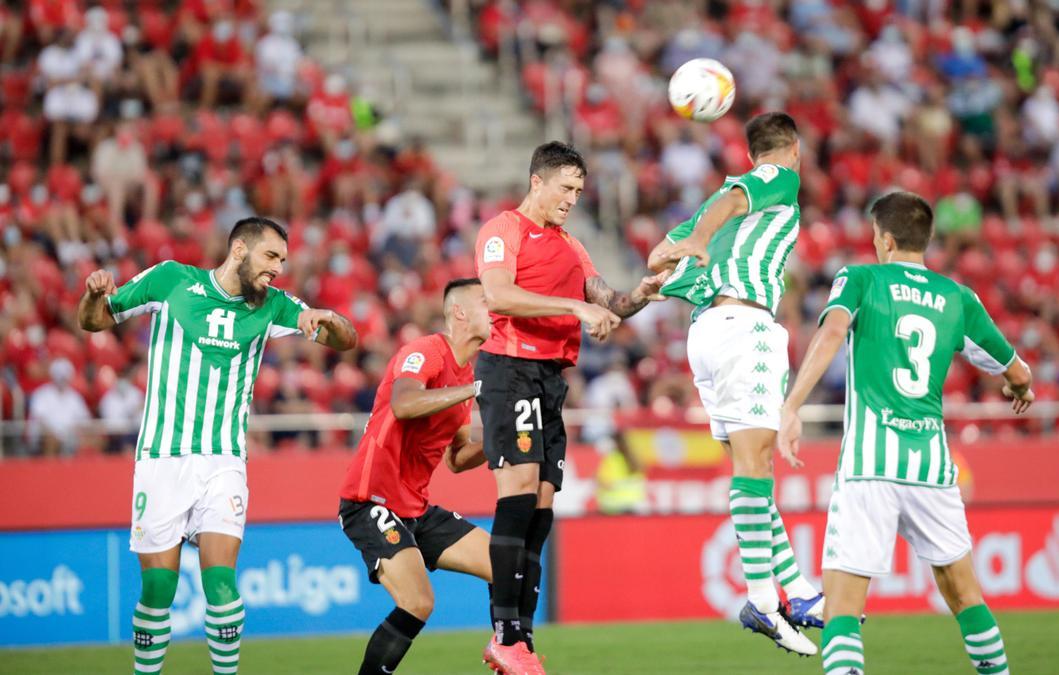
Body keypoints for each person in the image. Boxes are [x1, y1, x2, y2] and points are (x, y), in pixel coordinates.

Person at [77, 217, 357, 675]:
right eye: (271, 257)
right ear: (240, 250)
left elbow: (346, 340)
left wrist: (327, 319)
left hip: (224, 460)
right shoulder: (171, 280)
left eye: (284, 261)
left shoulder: (274, 306)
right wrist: (93, 294)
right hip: (162, 458)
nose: (278, 269)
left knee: (222, 583)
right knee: (159, 591)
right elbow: (93, 321)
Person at [777, 191, 1035, 675]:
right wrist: (1021, 387)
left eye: (876, 237)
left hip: (869, 464)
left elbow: (832, 333)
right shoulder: (958, 297)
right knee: (965, 594)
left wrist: (792, 406)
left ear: (886, 239)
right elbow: (1015, 368)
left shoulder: (860, 278)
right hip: (932, 469)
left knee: (843, 607)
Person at [474, 141, 667, 673]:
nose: (573, 199)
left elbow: (611, 301)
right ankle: (503, 631)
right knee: (516, 497)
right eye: (566, 188)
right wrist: (574, 305)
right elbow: (497, 296)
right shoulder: (503, 230)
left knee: (540, 509)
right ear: (538, 181)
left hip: (549, 380)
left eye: (580, 191)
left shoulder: (571, 246)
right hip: (509, 367)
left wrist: (643, 294)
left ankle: (524, 637)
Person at [648, 112, 824, 656]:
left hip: (705, 331)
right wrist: (703, 238)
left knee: (753, 466)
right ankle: (763, 600)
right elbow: (725, 208)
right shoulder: (779, 179)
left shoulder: (714, 208)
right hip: (746, 324)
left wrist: (695, 245)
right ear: (791, 149)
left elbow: (659, 259)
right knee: (754, 466)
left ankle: (797, 590)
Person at [338, 278, 493, 674]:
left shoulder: (463, 375)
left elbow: (457, 459)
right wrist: (474, 391)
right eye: (486, 299)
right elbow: (405, 404)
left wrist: (502, 438)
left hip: (414, 508)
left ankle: (511, 653)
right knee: (417, 602)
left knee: (505, 562)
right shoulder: (425, 351)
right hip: (369, 499)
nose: (497, 306)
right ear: (459, 312)